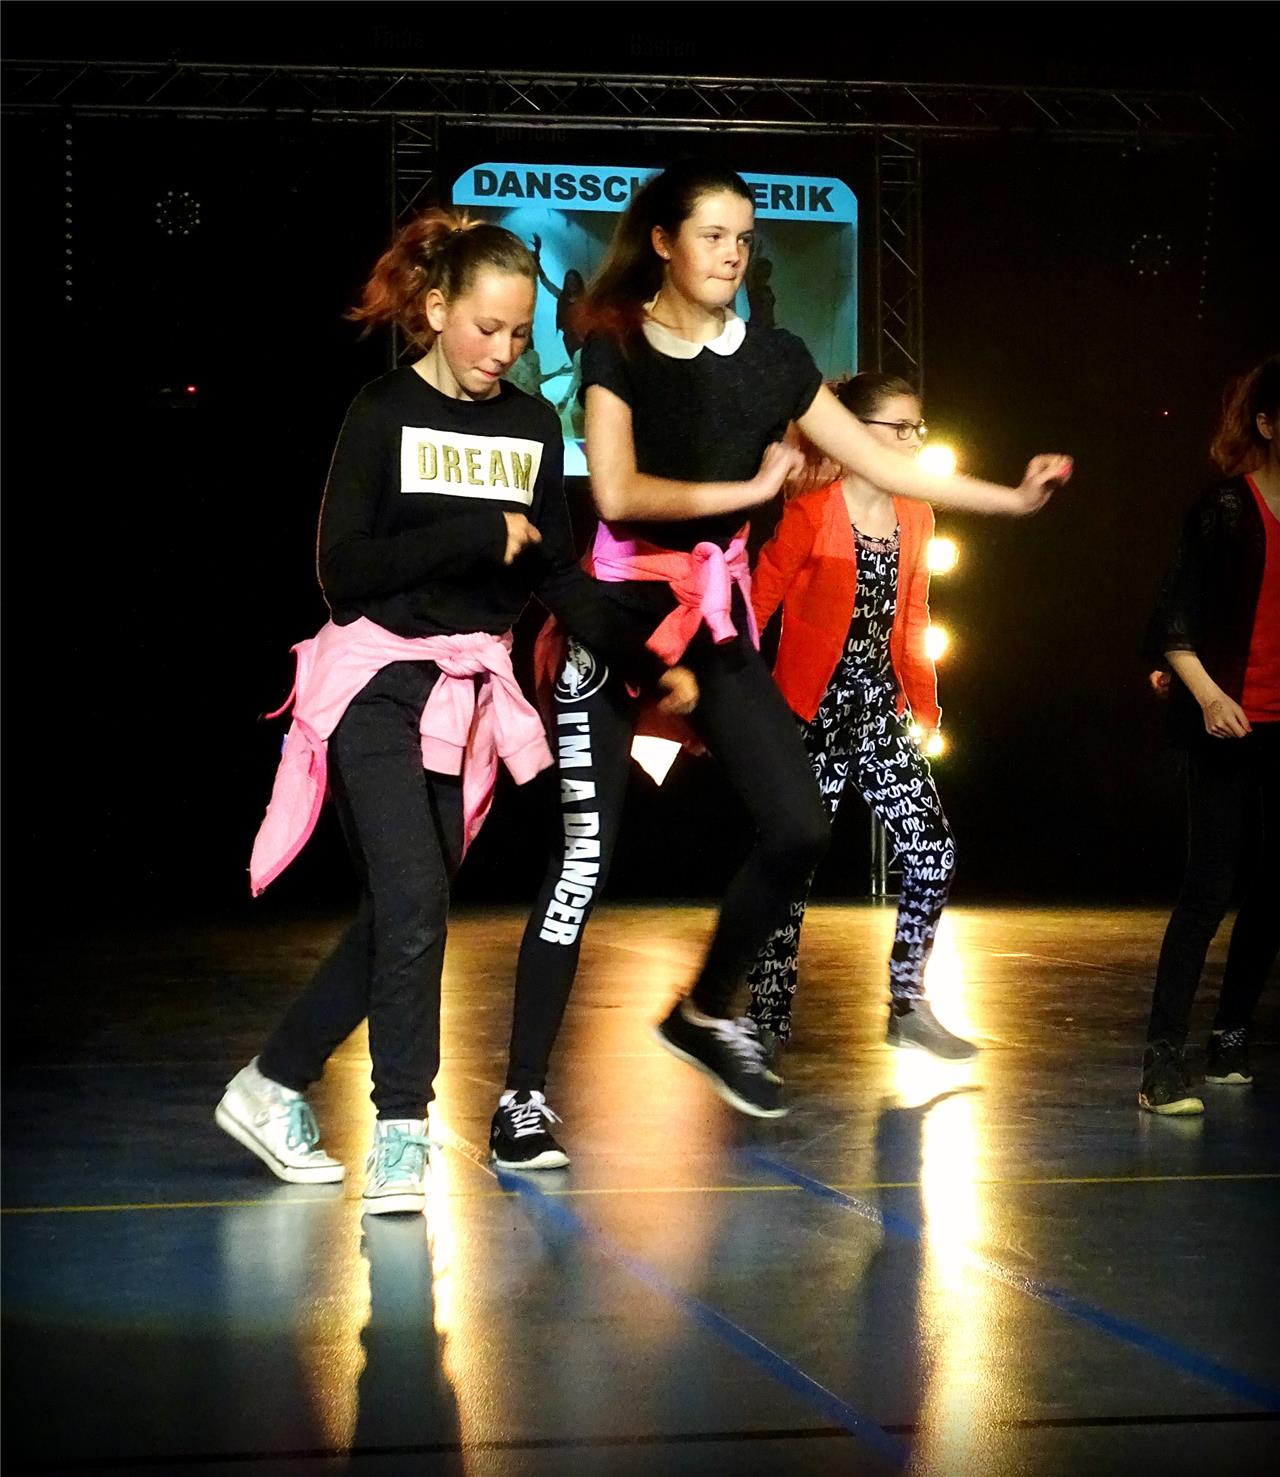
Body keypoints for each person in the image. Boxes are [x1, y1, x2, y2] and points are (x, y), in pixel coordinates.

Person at [508, 161, 1071, 1132]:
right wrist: (750, 491)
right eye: (712, 235)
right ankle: (522, 1094)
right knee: (582, 865)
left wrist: (1011, 500)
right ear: (662, 243)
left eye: (744, 237)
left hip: (710, 620)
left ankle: (701, 1011)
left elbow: (885, 461)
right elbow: (616, 492)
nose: (733, 253)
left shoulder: (774, 358)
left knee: (800, 825)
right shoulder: (613, 343)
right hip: (617, 616)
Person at [217, 209, 698, 1213]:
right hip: (372, 682)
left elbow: (556, 573)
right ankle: (402, 1133)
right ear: (436, 310)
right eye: (486, 328)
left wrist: (645, 660)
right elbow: (341, 571)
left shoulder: (531, 427)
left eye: (519, 333)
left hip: (462, 697)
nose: (503, 350)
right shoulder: (382, 410)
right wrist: (474, 533)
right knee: (412, 902)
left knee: (407, 909)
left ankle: (269, 1084)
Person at [745, 372, 975, 1070]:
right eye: (899, 428)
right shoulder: (811, 514)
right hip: (808, 716)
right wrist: (732, 702)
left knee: (934, 850)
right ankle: (765, 1018)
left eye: (917, 428)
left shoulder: (917, 516)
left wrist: (925, 704)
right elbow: (754, 607)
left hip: (877, 713)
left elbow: (914, 620)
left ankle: (907, 1002)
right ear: (853, 434)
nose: (913, 440)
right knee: (791, 866)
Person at [1139, 352, 1280, 1116]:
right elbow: (1173, 619)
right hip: (1224, 717)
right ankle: (1162, 1060)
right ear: (1268, 423)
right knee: (1210, 884)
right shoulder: (1226, 508)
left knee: (1277, 884)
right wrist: (1209, 696)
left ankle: (1231, 1033)